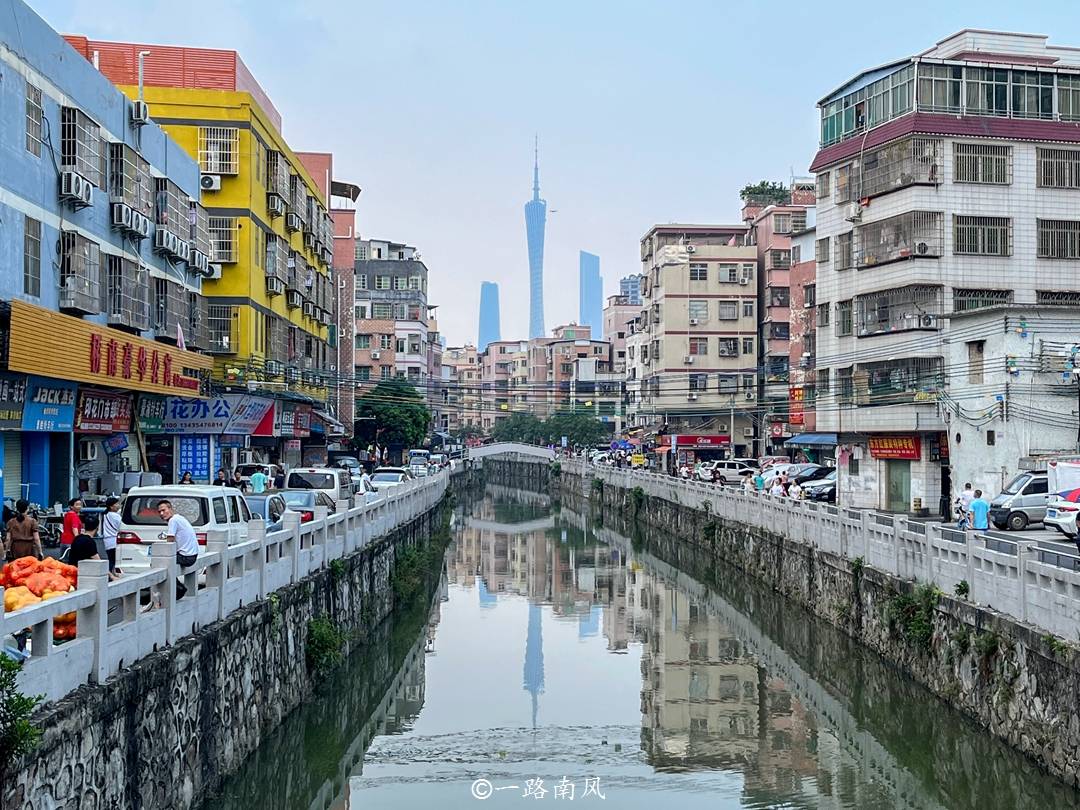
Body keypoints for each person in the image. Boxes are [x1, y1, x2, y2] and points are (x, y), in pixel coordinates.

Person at [157, 499, 199, 600]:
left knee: (159, 563)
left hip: (186, 557)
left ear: (170, 509)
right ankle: (176, 589)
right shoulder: (180, 518)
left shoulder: (173, 520)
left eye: (164, 510)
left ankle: (177, 590)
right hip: (193, 555)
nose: (162, 514)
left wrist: (164, 554)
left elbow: (170, 540)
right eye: (159, 512)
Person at [100, 496, 122, 574]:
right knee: (114, 561)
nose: (118, 505)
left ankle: (109, 575)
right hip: (114, 540)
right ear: (111, 506)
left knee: (111, 559)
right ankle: (110, 575)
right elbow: (121, 526)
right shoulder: (115, 516)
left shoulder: (106, 514)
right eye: (116, 504)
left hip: (107, 540)